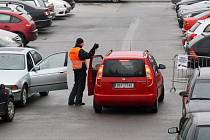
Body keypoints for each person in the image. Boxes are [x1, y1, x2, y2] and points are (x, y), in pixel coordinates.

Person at [68, 38, 99, 106]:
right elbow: (88, 55)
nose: (83, 44)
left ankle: (71, 100)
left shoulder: (72, 50)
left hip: (75, 69)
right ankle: (78, 102)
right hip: (81, 70)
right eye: (83, 43)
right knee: (81, 86)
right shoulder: (79, 50)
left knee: (76, 85)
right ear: (81, 43)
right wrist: (94, 48)